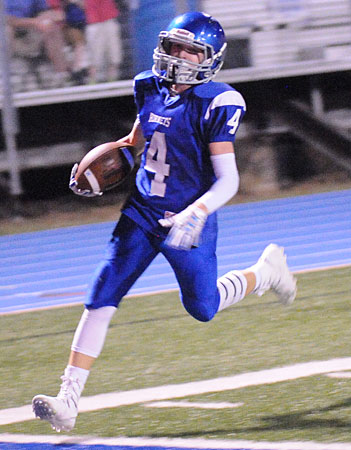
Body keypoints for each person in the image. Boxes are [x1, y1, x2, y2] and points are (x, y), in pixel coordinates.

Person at [32, 11, 297, 433]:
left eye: (190, 49)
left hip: (187, 218)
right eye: (174, 46)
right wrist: (97, 167)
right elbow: (135, 142)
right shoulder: (148, 85)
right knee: (101, 295)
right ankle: (68, 400)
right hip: (141, 211)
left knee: (203, 307)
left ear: (209, 57)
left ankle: (263, 272)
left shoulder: (217, 101)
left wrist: (198, 211)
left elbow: (229, 180)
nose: (178, 55)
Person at [5, 0, 71, 87]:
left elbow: (43, 12)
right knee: (6, 30)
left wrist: (49, 17)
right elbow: (5, 19)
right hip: (11, 29)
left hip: (30, 28)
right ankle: (5, 74)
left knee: (51, 27)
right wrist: (35, 22)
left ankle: (61, 74)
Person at [83, 0, 122, 83]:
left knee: (113, 52)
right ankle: (93, 80)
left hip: (109, 18)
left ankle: (112, 79)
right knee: (94, 55)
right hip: (93, 21)